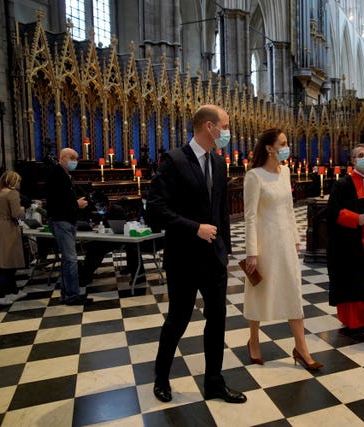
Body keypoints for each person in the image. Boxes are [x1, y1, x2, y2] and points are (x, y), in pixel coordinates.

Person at [148, 104, 246, 404]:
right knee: (178, 319)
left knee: (217, 318)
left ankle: (214, 382)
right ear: (208, 127)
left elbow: (221, 212)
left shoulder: (219, 163)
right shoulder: (174, 160)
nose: (227, 131)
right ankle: (161, 377)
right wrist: (194, 228)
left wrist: (225, 249)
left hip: (213, 257)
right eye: (225, 125)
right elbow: (155, 210)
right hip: (184, 257)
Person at [243, 128, 323, 370]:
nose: (287, 147)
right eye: (283, 143)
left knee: (293, 291)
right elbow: (249, 217)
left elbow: (288, 208)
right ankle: (253, 340)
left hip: (285, 242)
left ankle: (301, 348)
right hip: (264, 244)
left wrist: (295, 235)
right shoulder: (254, 176)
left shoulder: (285, 171)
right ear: (269, 148)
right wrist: (251, 252)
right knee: (259, 290)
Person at [326, 144, 364, 331]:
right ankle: (356, 321)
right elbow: (333, 212)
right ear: (353, 160)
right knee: (355, 280)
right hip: (352, 242)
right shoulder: (342, 185)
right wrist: (356, 218)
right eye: (360, 155)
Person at [45, 148, 92, 305]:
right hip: (61, 220)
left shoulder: (63, 175)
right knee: (71, 259)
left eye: (76, 158)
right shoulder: (56, 175)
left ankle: (67, 293)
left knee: (67, 260)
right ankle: (72, 296)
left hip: (66, 220)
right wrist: (76, 204)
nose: (75, 161)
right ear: (62, 158)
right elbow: (57, 202)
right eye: (72, 158)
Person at [0, 171, 28, 305]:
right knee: (9, 261)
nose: (19, 184)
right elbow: (16, 213)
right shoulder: (11, 193)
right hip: (6, 228)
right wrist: (23, 209)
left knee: (0, 260)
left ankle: (13, 291)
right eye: (18, 181)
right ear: (13, 181)